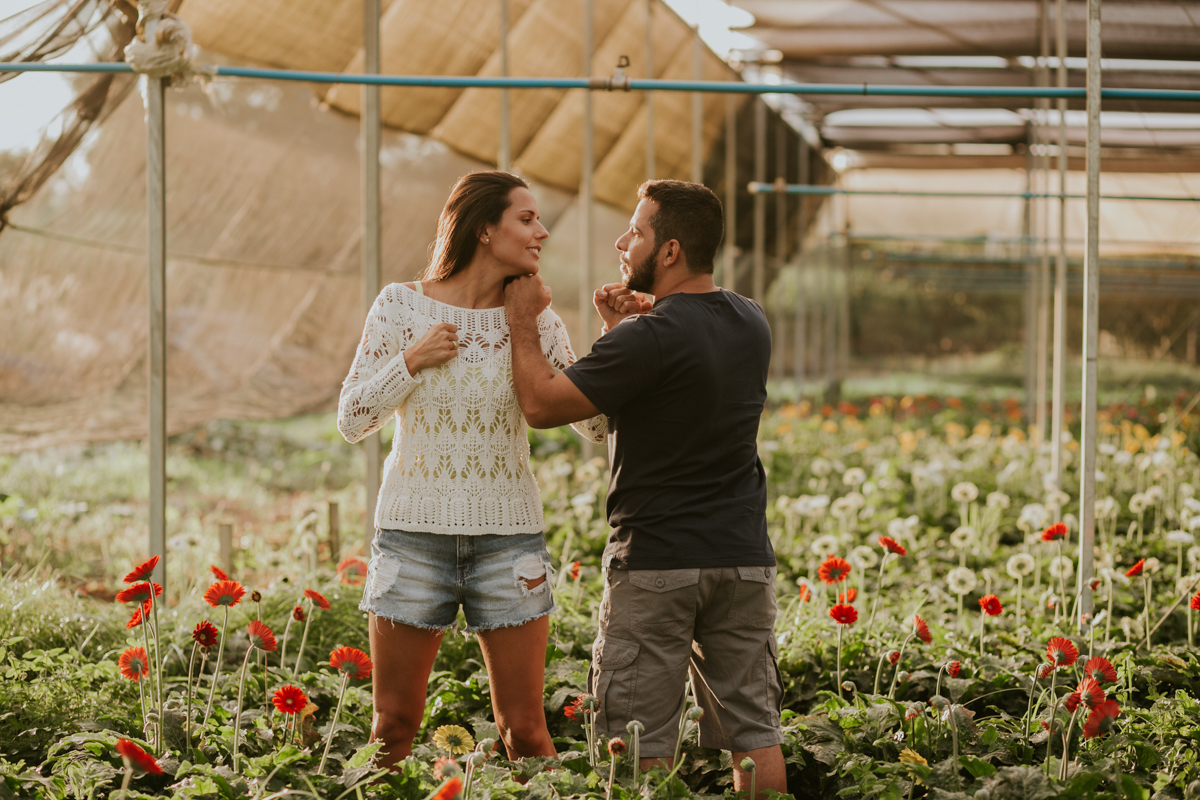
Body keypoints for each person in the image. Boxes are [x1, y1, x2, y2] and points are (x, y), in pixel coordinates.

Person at [503, 179, 785, 799]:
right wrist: (618, 330)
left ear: (670, 252)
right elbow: (666, 389)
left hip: (658, 563)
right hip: (742, 560)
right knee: (754, 731)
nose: (621, 240)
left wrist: (523, 324)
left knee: (637, 739)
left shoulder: (650, 337)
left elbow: (542, 405)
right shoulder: (750, 319)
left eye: (636, 231)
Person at [336, 170, 606, 770]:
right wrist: (411, 360)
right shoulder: (401, 306)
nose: (541, 232)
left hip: (509, 545)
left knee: (528, 733)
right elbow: (352, 418)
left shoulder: (534, 318)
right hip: (412, 539)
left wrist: (616, 337)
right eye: (526, 218)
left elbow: (597, 425)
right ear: (485, 229)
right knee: (392, 727)